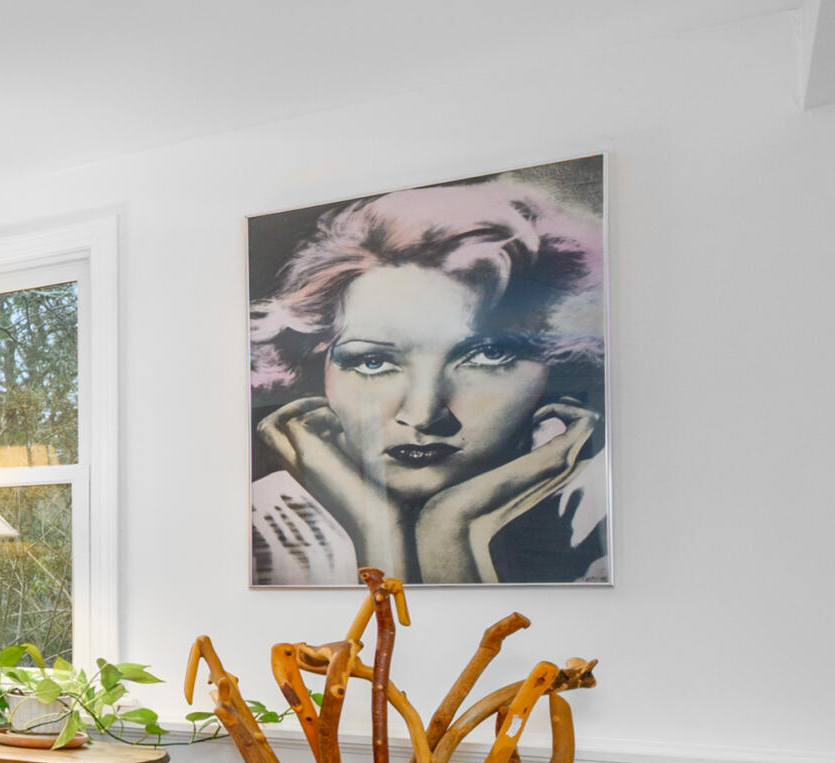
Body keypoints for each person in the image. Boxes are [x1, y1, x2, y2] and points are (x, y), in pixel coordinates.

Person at [249, 174, 606, 586]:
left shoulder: (606, 515)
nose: (422, 415)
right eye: (373, 362)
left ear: (556, 365)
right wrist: (378, 531)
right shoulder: (257, 529)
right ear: (317, 369)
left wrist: (449, 531)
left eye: (488, 356)